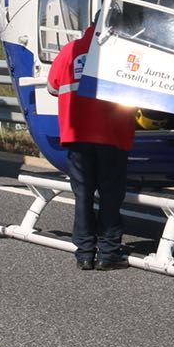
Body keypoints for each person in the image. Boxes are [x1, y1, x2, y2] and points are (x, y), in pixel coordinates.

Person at [46, 23, 137, 271]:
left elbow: (52, 87)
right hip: (112, 136)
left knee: (83, 195)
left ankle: (84, 254)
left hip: (77, 136)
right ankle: (108, 253)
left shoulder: (69, 51)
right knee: (110, 195)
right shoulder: (122, 52)